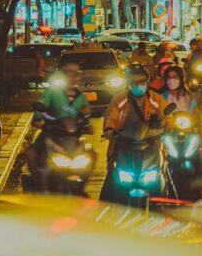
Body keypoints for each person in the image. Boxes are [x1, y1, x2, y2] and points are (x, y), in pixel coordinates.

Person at [101, 65, 167, 195]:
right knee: (112, 177)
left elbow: (166, 116)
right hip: (124, 141)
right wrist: (109, 128)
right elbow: (111, 116)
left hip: (151, 142)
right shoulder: (119, 99)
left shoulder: (157, 99)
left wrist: (167, 125)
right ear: (128, 83)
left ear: (147, 80)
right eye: (134, 82)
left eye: (141, 81)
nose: (138, 85)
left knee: (165, 170)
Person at [30, 63, 91, 170]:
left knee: (90, 154)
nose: (72, 78)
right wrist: (38, 119)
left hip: (73, 135)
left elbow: (85, 112)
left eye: (75, 75)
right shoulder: (52, 92)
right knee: (34, 151)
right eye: (69, 75)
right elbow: (41, 104)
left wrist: (87, 125)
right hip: (53, 132)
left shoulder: (80, 96)